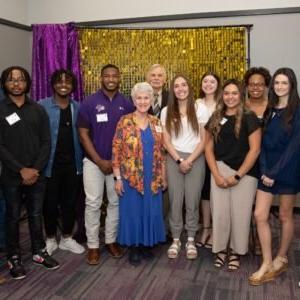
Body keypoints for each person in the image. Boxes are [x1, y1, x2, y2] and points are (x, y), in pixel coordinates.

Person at [0, 66, 59, 280]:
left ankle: (38, 252)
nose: (16, 83)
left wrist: (35, 169)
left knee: (35, 214)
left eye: (21, 79)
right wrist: (20, 169)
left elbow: (46, 142)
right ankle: (13, 256)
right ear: (4, 83)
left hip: (37, 173)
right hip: (11, 175)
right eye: (11, 80)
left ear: (27, 83)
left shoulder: (38, 109)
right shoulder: (1, 109)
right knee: (13, 216)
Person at [77, 64, 134, 265]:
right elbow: (83, 135)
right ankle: (93, 246)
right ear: (101, 78)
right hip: (93, 162)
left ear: (119, 78)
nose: (110, 79)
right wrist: (99, 161)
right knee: (92, 203)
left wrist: (115, 162)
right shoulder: (89, 102)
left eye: (114, 75)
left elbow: (130, 136)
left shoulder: (127, 104)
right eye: (107, 75)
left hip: (118, 164)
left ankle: (110, 241)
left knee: (115, 203)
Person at [249, 68, 300, 285]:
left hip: (288, 170)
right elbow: (263, 144)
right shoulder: (270, 109)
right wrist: (265, 170)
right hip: (267, 170)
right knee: (260, 215)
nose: (279, 87)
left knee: (285, 216)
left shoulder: (297, 110)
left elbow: (294, 146)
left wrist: (275, 172)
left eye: (284, 83)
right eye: (277, 83)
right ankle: (267, 262)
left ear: (291, 86)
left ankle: (282, 256)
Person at [205, 79, 261, 270]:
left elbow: (255, 150)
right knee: (220, 213)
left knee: (240, 214)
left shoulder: (250, 117)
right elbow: (208, 148)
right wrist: (216, 174)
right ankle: (220, 249)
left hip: (244, 173)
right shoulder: (215, 117)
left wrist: (237, 176)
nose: (230, 97)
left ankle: (236, 251)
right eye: (227, 93)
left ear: (241, 95)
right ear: (222, 95)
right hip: (219, 170)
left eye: (234, 93)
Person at [112, 82, 166, 266]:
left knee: (150, 211)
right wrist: (118, 178)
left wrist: (163, 177)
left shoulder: (156, 122)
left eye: (146, 98)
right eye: (139, 98)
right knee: (133, 211)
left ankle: (145, 244)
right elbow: (116, 150)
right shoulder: (124, 121)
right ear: (133, 100)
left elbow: (161, 152)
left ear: (151, 100)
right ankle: (134, 247)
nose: (143, 101)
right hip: (131, 177)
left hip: (153, 176)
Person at [161, 74, 209, 260]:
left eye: (184, 85)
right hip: (174, 158)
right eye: (176, 86)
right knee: (175, 200)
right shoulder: (166, 111)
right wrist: (179, 160)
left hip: (196, 158)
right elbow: (165, 140)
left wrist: (190, 160)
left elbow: (204, 140)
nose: (181, 89)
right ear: (173, 90)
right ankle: (175, 239)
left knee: (192, 200)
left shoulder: (200, 108)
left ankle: (190, 239)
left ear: (189, 87)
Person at [39, 69, 84, 255]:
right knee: (49, 204)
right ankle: (50, 238)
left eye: (67, 82)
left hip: (73, 165)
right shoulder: (42, 106)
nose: (63, 85)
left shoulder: (78, 107)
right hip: (49, 165)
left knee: (70, 203)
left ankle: (66, 237)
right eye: (59, 81)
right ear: (53, 84)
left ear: (73, 86)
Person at [195, 71, 221, 250]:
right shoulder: (196, 104)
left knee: (218, 193)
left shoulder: (224, 103)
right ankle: (206, 228)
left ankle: (218, 231)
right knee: (205, 193)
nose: (209, 84)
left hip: (220, 154)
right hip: (200, 153)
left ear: (218, 84)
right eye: (205, 81)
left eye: (212, 81)